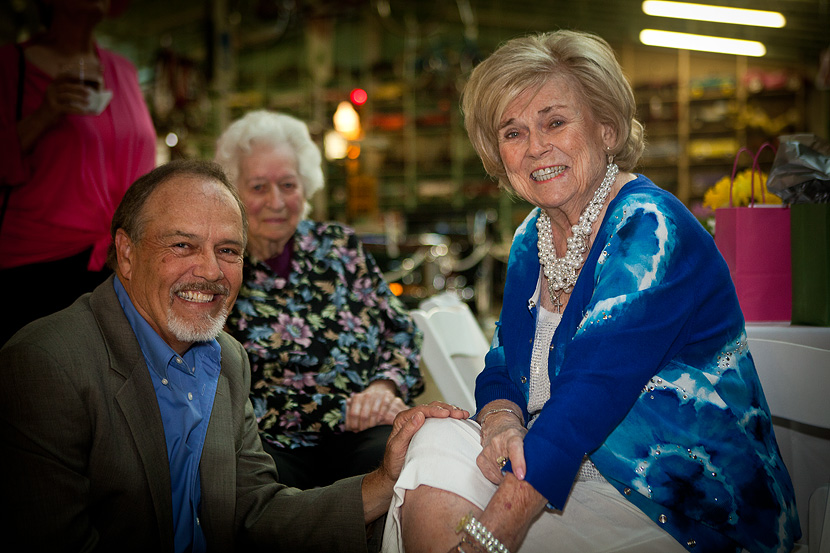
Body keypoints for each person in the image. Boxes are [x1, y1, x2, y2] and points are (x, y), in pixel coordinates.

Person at [383, 30, 801, 553]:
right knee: (432, 441)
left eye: (555, 122)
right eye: (513, 132)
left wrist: (488, 540)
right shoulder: (531, 240)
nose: (535, 147)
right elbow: (502, 364)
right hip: (567, 472)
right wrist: (502, 423)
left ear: (606, 128)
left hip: (681, 506)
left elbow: (588, 397)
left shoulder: (649, 228)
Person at [0, 159, 468, 553]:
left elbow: (254, 512)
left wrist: (385, 481)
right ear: (126, 252)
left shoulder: (225, 358)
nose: (210, 271)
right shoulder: (45, 364)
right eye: (182, 245)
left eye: (227, 250)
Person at [214, 110, 425, 489]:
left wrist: (384, 387)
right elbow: (224, 388)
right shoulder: (222, 264)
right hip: (272, 443)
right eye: (259, 187)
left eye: (288, 185)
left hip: (365, 431)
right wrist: (343, 411)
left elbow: (400, 329)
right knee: (256, 486)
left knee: (407, 465)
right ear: (233, 193)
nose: (277, 201)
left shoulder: (339, 246)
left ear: (306, 186)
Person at [0, 0, 156, 346]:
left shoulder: (124, 70)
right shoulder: (10, 65)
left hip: (120, 263)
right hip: (38, 267)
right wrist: (44, 116)